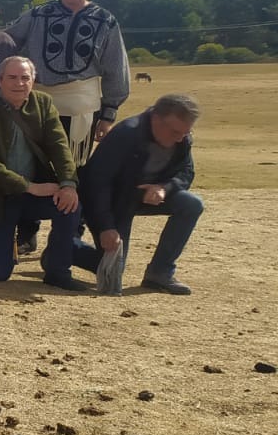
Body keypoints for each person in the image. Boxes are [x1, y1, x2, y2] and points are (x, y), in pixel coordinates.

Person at [3, 0, 130, 255]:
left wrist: (109, 112)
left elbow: (116, 67)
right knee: (31, 165)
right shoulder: (38, 15)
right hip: (36, 101)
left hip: (82, 103)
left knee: (75, 169)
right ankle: (27, 232)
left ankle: (70, 234)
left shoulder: (105, 20)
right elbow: (7, 40)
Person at [0, 57, 87, 291]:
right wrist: (28, 186)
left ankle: (57, 270)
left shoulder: (44, 103)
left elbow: (59, 146)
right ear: (0, 80)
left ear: (33, 81)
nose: (19, 83)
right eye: (12, 77)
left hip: (32, 195)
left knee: (70, 205)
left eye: (25, 78)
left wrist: (68, 183)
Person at [74, 94, 204, 296]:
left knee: (192, 204)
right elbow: (97, 184)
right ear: (156, 119)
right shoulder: (126, 135)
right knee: (113, 266)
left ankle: (160, 273)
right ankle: (65, 251)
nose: (181, 138)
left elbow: (186, 171)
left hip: (149, 196)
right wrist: (106, 227)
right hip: (116, 202)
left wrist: (164, 188)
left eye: (186, 132)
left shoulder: (182, 138)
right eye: (175, 132)